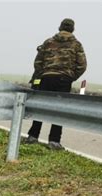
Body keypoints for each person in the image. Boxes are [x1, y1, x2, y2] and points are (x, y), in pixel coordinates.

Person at [26, 18, 87, 150]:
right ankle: (54, 141)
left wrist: (43, 73)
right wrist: (71, 77)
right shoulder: (77, 45)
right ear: (72, 29)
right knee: (59, 110)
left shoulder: (48, 42)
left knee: (41, 107)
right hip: (64, 80)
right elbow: (82, 65)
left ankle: (32, 136)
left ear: (60, 27)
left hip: (46, 78)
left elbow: (38, 62)